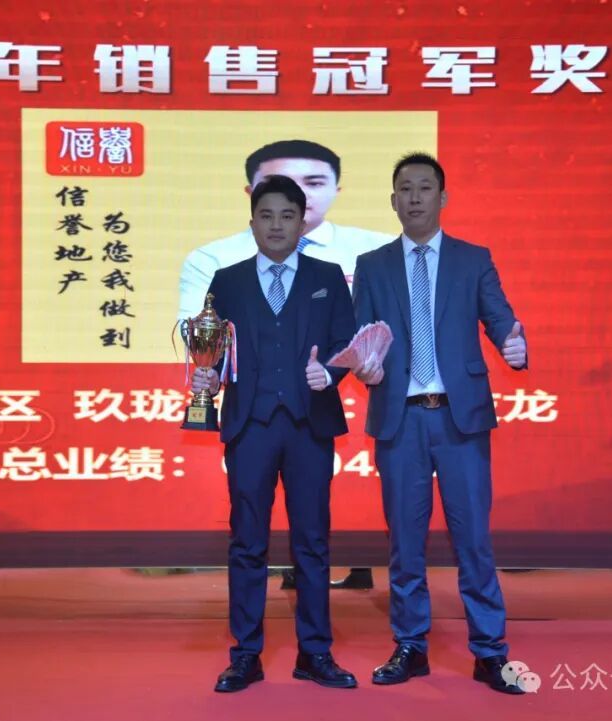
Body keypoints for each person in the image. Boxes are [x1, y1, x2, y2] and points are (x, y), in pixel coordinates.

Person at [351, 153, 529, 695]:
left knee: (472, 539)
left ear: (443, 197)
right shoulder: (372, 265)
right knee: (405, 542)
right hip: (400, 418)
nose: (414, 197)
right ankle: (411, 646)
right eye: (405, 189)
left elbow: (500, 318)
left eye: (424, 188)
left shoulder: (473, 259)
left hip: (459, 418)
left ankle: (490, 651)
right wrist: (363, 364)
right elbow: (360, 337)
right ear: (392, 200)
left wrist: (514, 344)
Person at [192, 175, 358, 692]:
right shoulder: (227, 281)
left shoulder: (328, 276)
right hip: (251, 426)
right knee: (247, 542)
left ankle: (315, 652)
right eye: (266, 216)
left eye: (287, 215)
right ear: (252, 223)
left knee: (312, 542)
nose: (277, 225)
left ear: (302, 222)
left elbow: (346, 342)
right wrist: (207, 376)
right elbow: (215, 351)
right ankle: (245, 655)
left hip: (310, 425)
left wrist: (329, 372)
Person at [177, 139, 392, 321]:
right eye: (278, 183)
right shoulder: (211, 259)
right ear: (250, 192)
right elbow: (197, 334)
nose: (296, 193)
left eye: (314, 183)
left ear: (336, 190)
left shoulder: (379, 251)